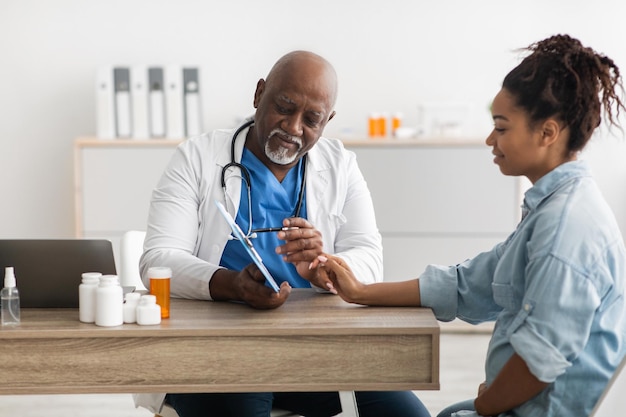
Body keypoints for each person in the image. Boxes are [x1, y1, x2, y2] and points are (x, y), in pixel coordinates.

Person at [316, 35, 626, 417]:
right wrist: (362, 291)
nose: (489, 139)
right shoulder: (551, 210)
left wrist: (487, 403)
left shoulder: (566, 228)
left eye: (501, 127)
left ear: (547, 133)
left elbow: (539, 361)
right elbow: (470, 283)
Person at [134, 50, 429, 417]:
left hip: (317, 349)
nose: (293, 128)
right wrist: (231, 285)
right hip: (219, 348)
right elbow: (157, 261)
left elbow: (369, 258)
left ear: (327, 122)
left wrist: (327, 270)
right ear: (259, 95)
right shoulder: (197, 157)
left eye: (312, 119)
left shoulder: (341, 166)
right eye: (284, 107)